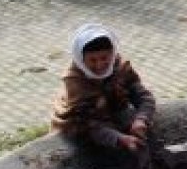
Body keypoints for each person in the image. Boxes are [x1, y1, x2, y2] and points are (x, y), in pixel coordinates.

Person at [51, 23, 156, 155]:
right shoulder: (75, 82)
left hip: (113, 113)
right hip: (80, 125)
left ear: (112, 54)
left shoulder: (120, 68)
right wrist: (119, 139)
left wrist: (141, 119)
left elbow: (144, 97)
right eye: (92, 60)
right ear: (81, 59)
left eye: (104, 58)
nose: (100, 65)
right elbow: (87, 125)